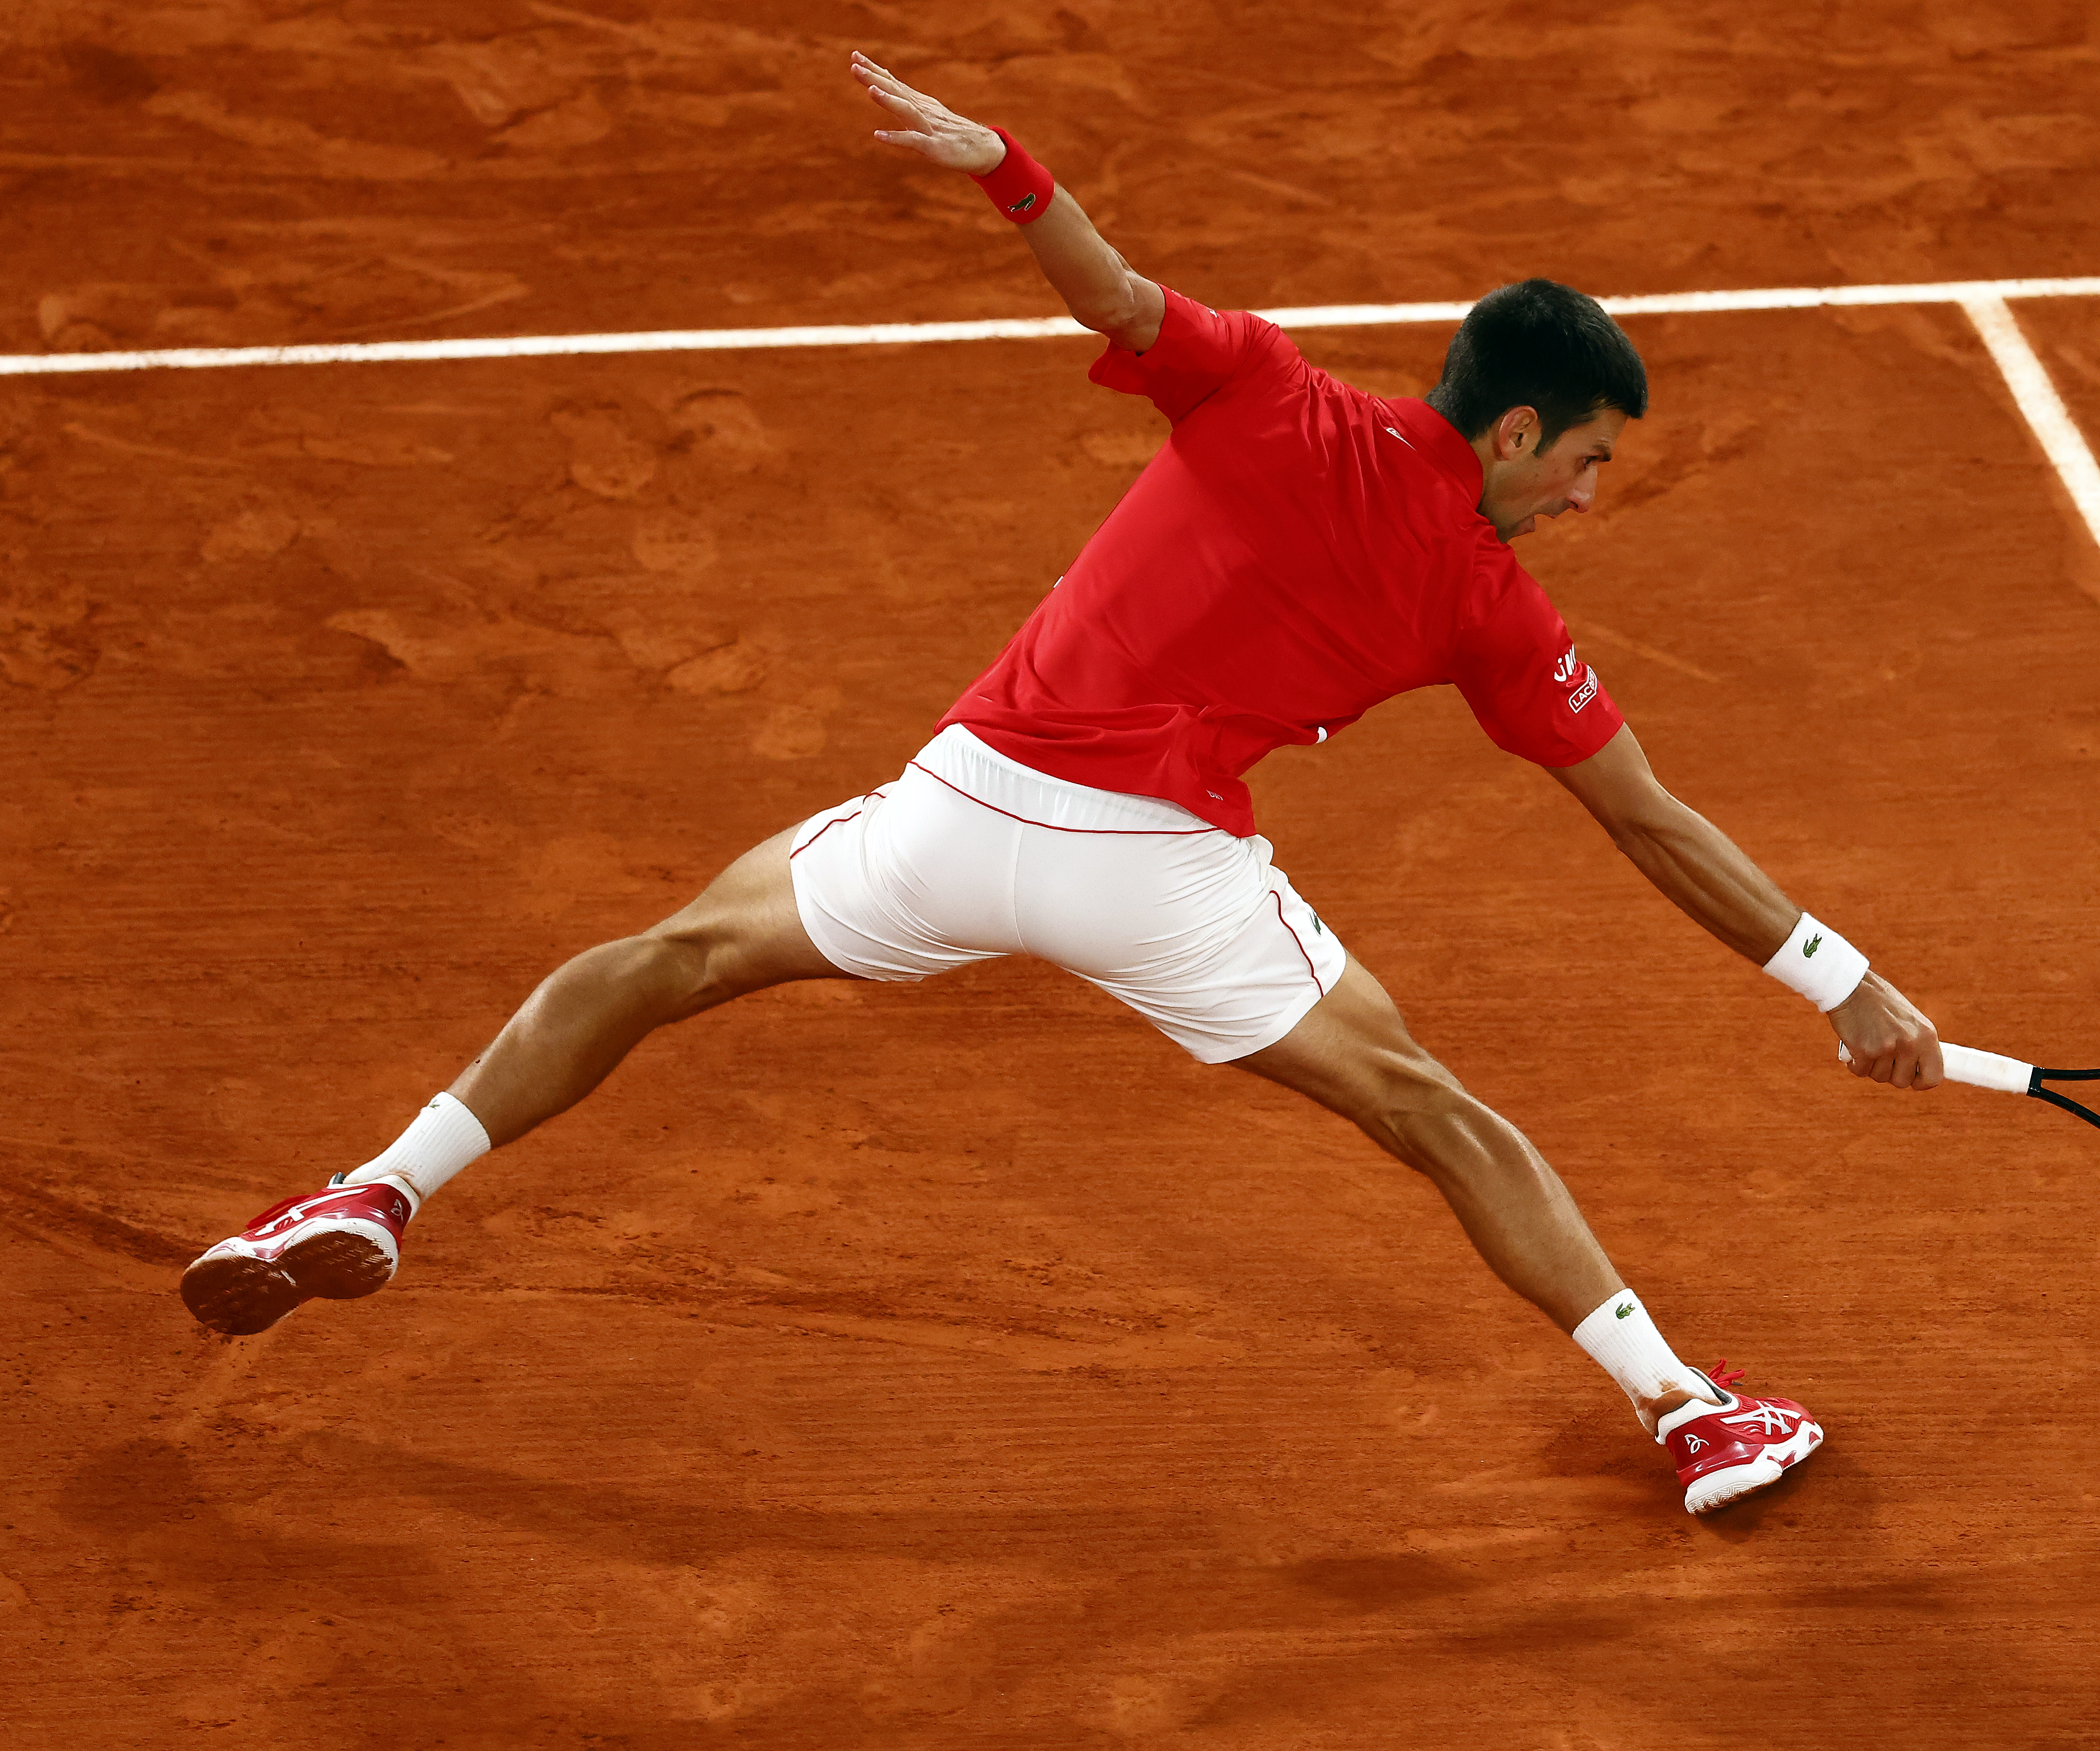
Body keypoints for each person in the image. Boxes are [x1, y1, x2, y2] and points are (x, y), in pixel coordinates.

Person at [180, 53, 1948, 1517]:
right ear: (1511, 433)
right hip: (1157, 875)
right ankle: (1685, 1409)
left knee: (664, 960)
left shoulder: (1264, 391)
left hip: (952, 820)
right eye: (1584, 463)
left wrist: (1008, 167)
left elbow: (1111, 293)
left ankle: (377, 1187)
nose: (1585, 497)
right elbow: (1649, 818)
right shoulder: (1494, 601)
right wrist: (1842, 979)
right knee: (1440, 1117)